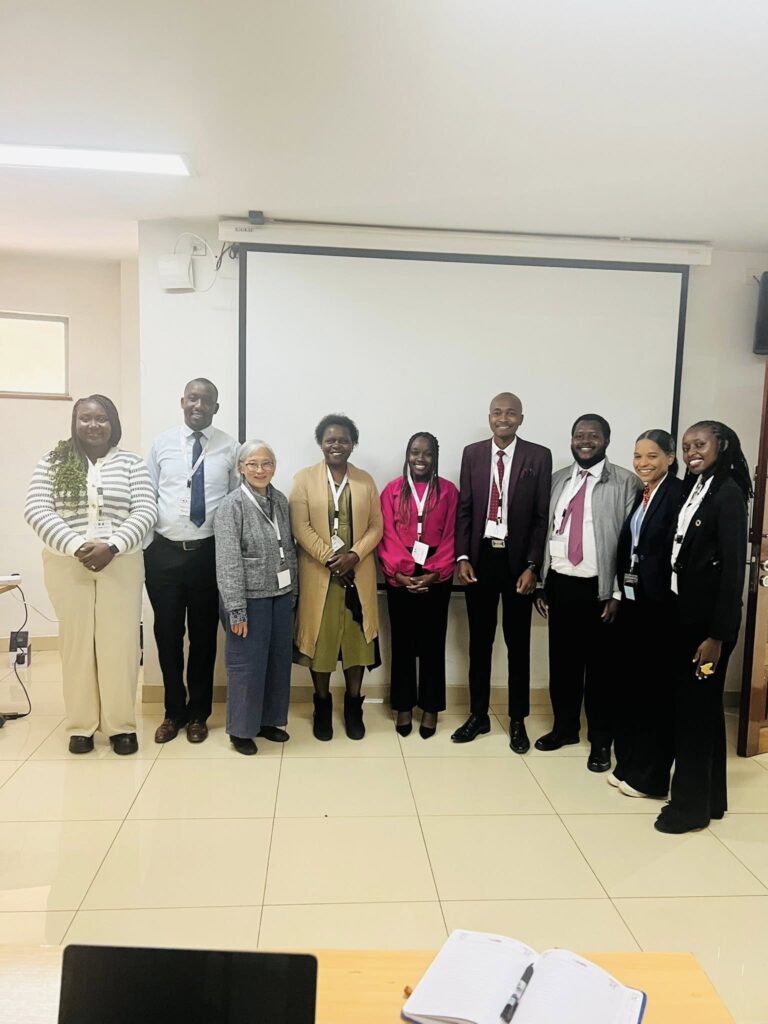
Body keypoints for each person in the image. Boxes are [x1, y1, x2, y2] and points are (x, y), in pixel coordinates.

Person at [24, 395, 157, 754]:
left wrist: (111, 546)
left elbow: (146, 510)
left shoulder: (131, 463)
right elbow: (37, 509)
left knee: (120, 645)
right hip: (68, 564)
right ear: (75, 422)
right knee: (77, 645)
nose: (93, 425)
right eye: (85, 418)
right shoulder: (54, 461)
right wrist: (76, 545)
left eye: (101, 418)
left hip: (121, 562)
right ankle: (80, 726)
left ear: (113, 423)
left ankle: (120, 727)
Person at [655, 420, 751, 834]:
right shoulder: (699, 486)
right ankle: (711, 800)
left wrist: (717, 636)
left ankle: (688, 809)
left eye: (700, 444)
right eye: (687, 446)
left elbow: (733, 573)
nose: (692, 452)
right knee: (704, 712)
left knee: (694, 716)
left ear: (722, 445)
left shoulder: (728, 493)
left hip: (708, 629)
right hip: (685, 616)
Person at [536, 414, 640, 772]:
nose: (585, 441)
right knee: (563, 665)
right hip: (561, 583)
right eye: (579, 435)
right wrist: (542, 583)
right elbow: (546, 531)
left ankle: (601, 741)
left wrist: (617, 591)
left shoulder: (625, 482)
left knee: (602, 671)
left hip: (602, 590)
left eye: (593, 435)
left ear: (606, 441)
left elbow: (630, 544)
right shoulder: (557, 480)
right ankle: (564, 729)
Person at [453, 393, 552, 752]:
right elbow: (465, 510)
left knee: (518, 644)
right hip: (480, 560)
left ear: (521, 419)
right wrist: (463, 556)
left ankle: (517, 720)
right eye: (497, 412)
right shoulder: (473, 454)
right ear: (489, 417)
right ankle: (478, 715)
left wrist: (533, 566)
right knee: (480, 644)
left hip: (517, 564)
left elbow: (541, 516)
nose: (503, 418)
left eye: (511, 413)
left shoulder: (538, 456)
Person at [145, 378, 239, 744]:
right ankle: (174, 712)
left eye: (206, 400)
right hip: (164, 555)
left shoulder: (230, 447)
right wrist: (149, 548)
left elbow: (234, 502)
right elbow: (148, 495)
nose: (198, 405)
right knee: (167, 636)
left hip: (207, 555)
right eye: (193, 398)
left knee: (203, 638)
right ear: (182, 401)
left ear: (216, 407)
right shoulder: (162, 444)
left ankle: (199, 713)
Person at [290, 414, 383, 741]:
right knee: (322, 642)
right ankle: (322, 704)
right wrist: (331, 559)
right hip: (320, 575)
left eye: (343, 440)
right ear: (321, 443)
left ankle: (354, 706)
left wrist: (354, 555)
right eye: (330, 440)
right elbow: (300, 526)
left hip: (357, 574)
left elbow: (377, 525)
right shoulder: (304, 479)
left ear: (352, 444)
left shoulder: (365, 481)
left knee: (357, 643)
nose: (337, 445)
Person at [214, 440, 297, 755]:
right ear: (241, 468)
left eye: (267, 463)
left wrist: (294, 591)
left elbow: (289, 548)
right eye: (253, 464)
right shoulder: (231, 505)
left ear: (274, 467)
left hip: (281, 596)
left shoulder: (280, 500)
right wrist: (236, 609)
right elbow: (228, 561)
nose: (260, 470)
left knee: (277, 662)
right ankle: (241, 730)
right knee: (246, 666)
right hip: (249, 600)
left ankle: (269, 721)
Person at [612, 429, 682, 797]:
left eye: (652, 456)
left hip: (661, 607)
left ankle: (652, 778)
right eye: (638, 456)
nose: (642, 463)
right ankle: (630, 764)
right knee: (634, 686)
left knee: (656, 692)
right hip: (635, 603)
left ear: (670, 458)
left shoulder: (677, 494)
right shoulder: (646, 494)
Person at [379, 432, 458, 738]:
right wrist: (399, 573)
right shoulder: (392, 490)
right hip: (400, 573)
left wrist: (435, 573)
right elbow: (387, 533)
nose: (420, 458)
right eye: (415, 452)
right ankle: (403, 705)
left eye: (426, 453)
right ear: (407, 455)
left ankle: (430, 707)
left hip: (436, 574)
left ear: (435, 457)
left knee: (432, 643)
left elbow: (452, 535)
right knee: (402, 642)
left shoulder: (449, 491)